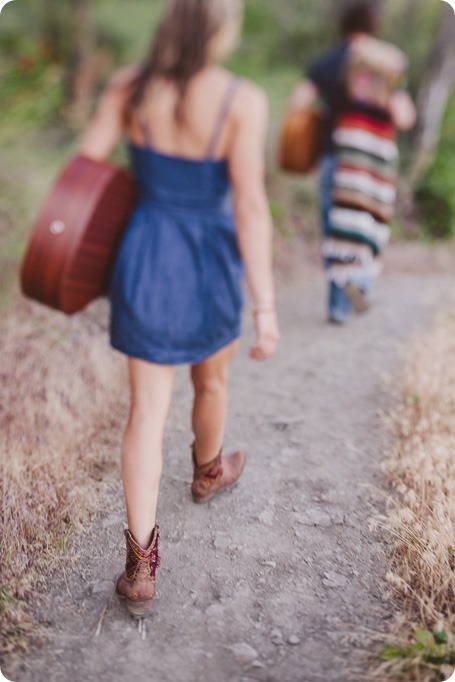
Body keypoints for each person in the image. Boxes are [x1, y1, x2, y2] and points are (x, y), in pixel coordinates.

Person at [78, 0, 279, 617]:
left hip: (145, 257)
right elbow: (249, 207)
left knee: (146, 411)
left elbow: (84, 171)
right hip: (211, 259)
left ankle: (140, 567)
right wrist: (265, 307)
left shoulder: (129, 89)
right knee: (211, 378)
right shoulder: (241, 101)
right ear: (220, 26)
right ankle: (207, 472)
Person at [288, 0, 416, 324]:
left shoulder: (328, 62)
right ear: (375, 22)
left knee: (336, 229)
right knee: (370, 223)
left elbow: (297, 102)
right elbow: (404, 117)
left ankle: (337, 306)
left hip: (337, 156)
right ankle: (362, 282)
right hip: (376, 160)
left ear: (343, 23)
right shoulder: (388, 61)